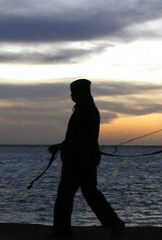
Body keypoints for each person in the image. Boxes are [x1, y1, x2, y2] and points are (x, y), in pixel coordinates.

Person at [49, 79, 124, 238]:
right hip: (83, 159)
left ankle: (61, 232)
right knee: (88, 193)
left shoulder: (86, 110)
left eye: (73, 92)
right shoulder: (85, 108)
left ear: (81, 93)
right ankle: (114, 223)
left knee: (66, 196)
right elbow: (76, 138)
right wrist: (61, 146)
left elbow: (80, 139)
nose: (71, 95)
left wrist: (64, 147)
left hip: (79, 161)